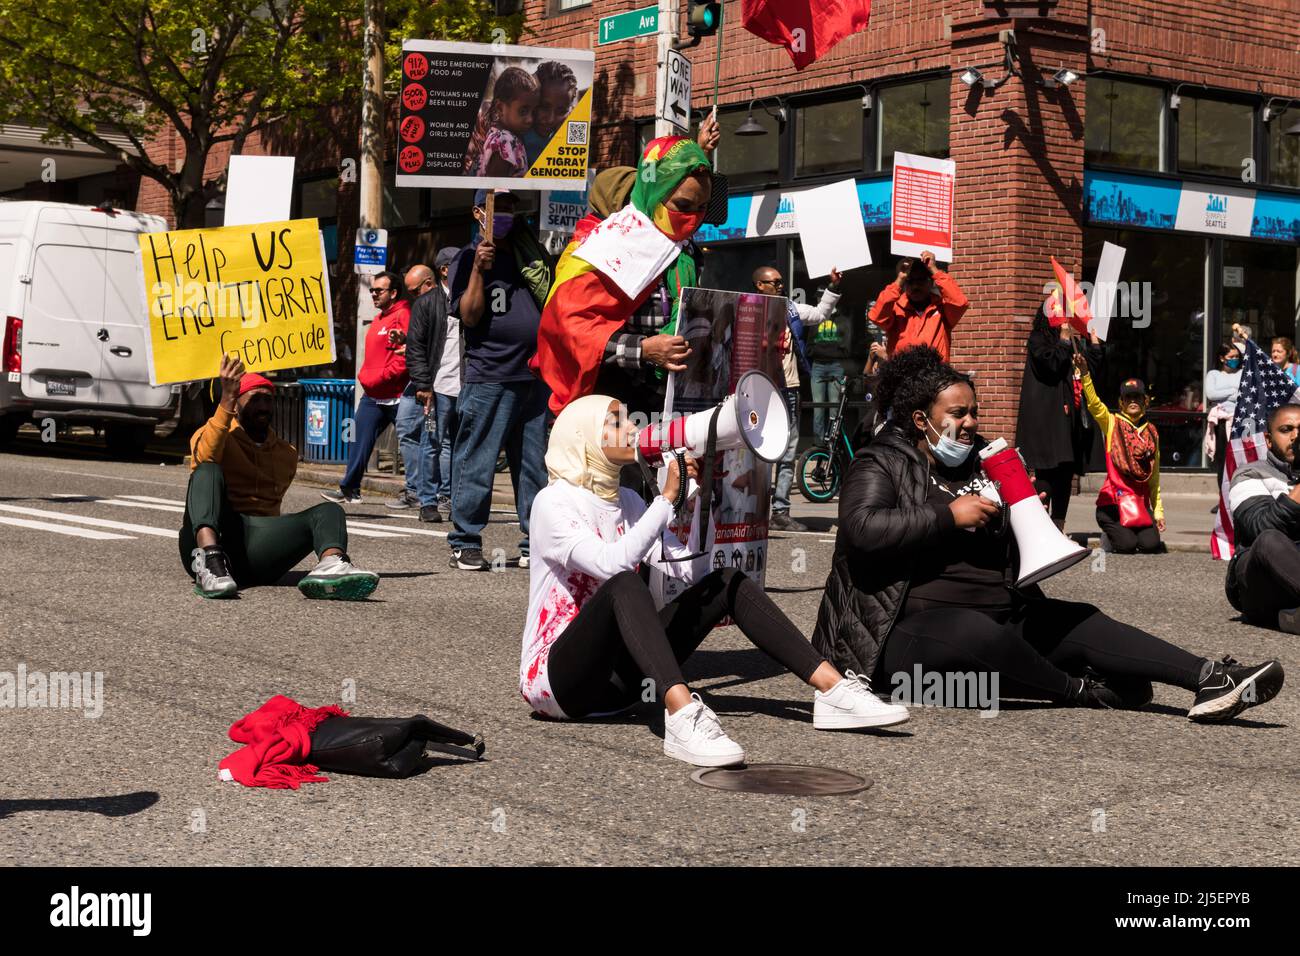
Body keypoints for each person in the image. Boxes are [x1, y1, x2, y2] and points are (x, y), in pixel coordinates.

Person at [811, 345, 1283, 723]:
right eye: (958, 413)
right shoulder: (881, 461)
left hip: (1001, 612)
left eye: (973, 411)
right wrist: (947, 517)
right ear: (921, 420)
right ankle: (1077, 688)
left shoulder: (981, 460)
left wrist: (1023, 511)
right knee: (979, 636)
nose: (971, 423)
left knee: (1082, 620)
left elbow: (1008, 552)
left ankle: (1210, 678)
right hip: (900, 637)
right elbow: (861, 529)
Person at [519, 395, 910, 767]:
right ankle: (683, 714)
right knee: (623, 585)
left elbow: (687, 572)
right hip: (560, 686)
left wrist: (693, 501)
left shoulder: (629, 500)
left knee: (725, 582)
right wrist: (664, 500)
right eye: (616, 421)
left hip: (620, 690)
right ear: (583, 436)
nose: (632, 426)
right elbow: (612, 564)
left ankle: (832, 690)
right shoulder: (554, 503)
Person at [531, 134, 714, 416]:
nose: (694, 217)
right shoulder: (606, 247)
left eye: (702, 207)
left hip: (673, 403)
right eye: (684, 206)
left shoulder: (686, 252)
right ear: (655, 193)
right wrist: (642, 350)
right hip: (616, 407)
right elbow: (567, 327)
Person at [184, 354, 378, 600]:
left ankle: (331, 566)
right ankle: (210, 562)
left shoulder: (286, 454)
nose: (263, 407)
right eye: (255, 399)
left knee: (330, 511)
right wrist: (227, 398)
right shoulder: (214, 434)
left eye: (268, 400)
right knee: (207, 470)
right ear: (237, 404)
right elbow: (205, 457)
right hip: (217, 536)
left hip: (257, 547)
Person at [445, 189, 551, 571]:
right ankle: (465, 539)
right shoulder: (467, 258)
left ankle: (534, 540)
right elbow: (470, 317)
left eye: (510, 206)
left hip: (534, 375)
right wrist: (478, 268)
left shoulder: (530, 254)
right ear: (479, 212)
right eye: (497, 205)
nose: (505, 213)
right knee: (478, 460)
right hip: (490, 376)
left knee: (534, 465)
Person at [752, 264, 841, 532]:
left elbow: (821, 312)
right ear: (760, 285)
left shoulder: (790, 308)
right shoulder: (749, 310)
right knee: (758, 453)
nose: (781, 286)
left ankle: (780, 512)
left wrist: (833, 286)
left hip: (789, 389)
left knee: (788, 453)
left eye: (781, 282)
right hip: (760, 390)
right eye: (775, 282)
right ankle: (755, 511)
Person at [322, 271, 410, 504]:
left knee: (413, 446)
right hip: (373, 395)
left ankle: (420, 494)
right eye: (372, 290)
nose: (373, 294)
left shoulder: (402, 315)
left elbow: (404, 357)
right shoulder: (380, 318)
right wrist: (369, 378)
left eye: (378, 290)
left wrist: (382, 377)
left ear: (393, 293)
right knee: (359, 440)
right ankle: (350, 489)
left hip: (398, 395)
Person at [1015, 306, 1105, 530]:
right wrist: (1064, 341)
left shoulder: (1072, 341)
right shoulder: (1038, 339)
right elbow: (1051, 364)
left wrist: (1094, 346)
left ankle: (1059, 524)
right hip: (1048, 419)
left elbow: (1088, 370)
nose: (1063, 319)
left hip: (1070, 418)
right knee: (1047, 469)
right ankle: (1042, 526)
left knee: (1065, 471)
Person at [1076, 355, 1164, 553]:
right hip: (1113, 505)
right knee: (1127, 546)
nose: (1133, 401)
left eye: (1137, 397)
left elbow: (1155, 478)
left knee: (1150, 545)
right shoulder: (1112, 423)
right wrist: (1084, 373)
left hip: (1139, 506)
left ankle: (1129, 530)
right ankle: (1110, 532)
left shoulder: (1152, 433)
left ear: (1145, 401)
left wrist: (1158, 512)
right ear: (1121, 402)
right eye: (1128, 397)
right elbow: (1094, 404)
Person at [1226, 403, 1300, 633]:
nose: (1296, 436)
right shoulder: (1249, 473)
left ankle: (1289, 618)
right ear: (1269, 440)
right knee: (1269, 539)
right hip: (1260, 581)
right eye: (1286, 430)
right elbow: (1260, 527)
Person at [397, 263, 448, 522]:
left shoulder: (463, 299)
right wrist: (424, 385)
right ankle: (427, 501)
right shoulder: (426, 304)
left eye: (414, 291)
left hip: (461, 386)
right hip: (434, 387)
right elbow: (416, 347)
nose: (413, 297)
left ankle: (448, 496)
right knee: (430, 441)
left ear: (429, 281)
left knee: (450, 444)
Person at [867, 251, 968, 362]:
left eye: (921, 280)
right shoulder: (896, 308)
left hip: (935, 376)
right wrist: (900, 279)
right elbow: (876, 317)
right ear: (905, 284)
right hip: (902, 376)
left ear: (930, 282)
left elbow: (959, 303)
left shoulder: (942, 309)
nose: (915, 286)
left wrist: (934, 270)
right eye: (910, 281)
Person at [430, 247, 464, 518]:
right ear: (444, 269)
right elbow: (420, 346)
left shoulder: (469, 294)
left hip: (467, 384)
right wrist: (423, 384)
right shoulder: (432, 302)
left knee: (462, 442)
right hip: (441, 384)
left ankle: (455, 497)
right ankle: (436, 496)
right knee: (438, 442)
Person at [463, 67, 539, 178]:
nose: (530, 119)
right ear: (500, 107)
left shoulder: (499, 133)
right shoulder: (505, 141)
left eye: (533, 112)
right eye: (523, 111)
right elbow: (495, 185)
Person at [524, 61, 578, 166]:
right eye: (544, 107)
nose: (550, 119)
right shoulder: (515, 137)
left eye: (561, 111)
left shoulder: (572, 138)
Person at [1205, 341, 1243, 484]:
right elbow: (1211, 394)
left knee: (1238, 460)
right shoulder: (1213, 374)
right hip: (1221, 423)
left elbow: (1243, 392)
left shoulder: (1241, 373)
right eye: (1231, 356)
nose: (1234, 359)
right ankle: (1223, 496)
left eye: (1236, 357)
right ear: (1222, 358)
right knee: (1223, 461)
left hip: (1239, 422)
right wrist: (1233, 392)